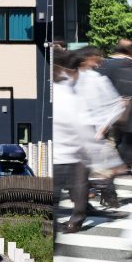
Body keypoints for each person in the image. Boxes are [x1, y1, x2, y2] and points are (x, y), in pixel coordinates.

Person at [75, 46, 127, 209]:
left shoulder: (79, 79)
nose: (101, 60)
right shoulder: (95, 79)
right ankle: (103, 198)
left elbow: (116, 105)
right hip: (92, 131)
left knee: (84, 171)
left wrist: (101, 129)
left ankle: (91, 202)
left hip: (88, 132)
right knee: (89, 170)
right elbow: (117, 105)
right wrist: (103, 129)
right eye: (98, 57)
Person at [52, 49, 89, 233]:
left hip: (79, 142)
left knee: (79, 183)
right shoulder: (61, 88)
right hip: (64, 148)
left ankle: (77, 217)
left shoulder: (90, 81)